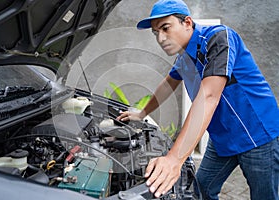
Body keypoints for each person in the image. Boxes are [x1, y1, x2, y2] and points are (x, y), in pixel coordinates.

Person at [116, 0, 279, 199]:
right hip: (222, 136)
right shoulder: (184, 56)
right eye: (155, 32)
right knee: (201, 189)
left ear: (187, 22)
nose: (161, 38)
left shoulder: (219, 38)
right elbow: (168, 84)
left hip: (257, 133)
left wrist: (174, 159)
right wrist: (141, 113)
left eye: (166, 28)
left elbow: (208, 96)